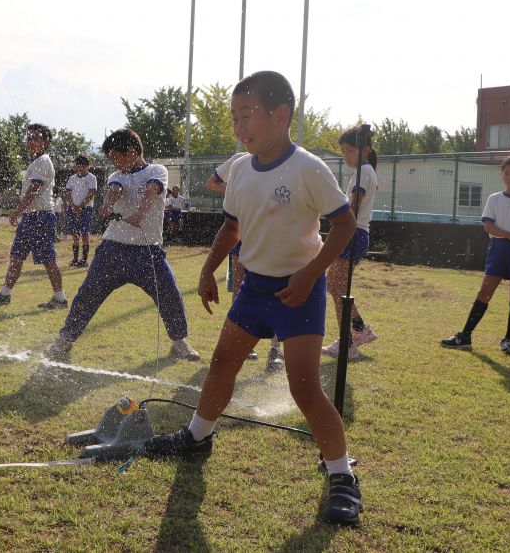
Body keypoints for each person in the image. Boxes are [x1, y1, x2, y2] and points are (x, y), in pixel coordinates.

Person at [144, 71, 363, 526]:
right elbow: (231, 228)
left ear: (280, 116)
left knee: (305, 389)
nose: (239, 126)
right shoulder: (239, 169)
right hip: (254, 290)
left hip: (298, 293)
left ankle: (341, 475)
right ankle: (198, 437)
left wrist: (308, 276)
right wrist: (206, 269)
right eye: (233, 117)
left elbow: (343, 225)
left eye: (247, 115)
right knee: (223, 364)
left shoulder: (307, 168)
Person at [43, 128, 201, 362]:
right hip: (113, 249)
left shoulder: (157, 170)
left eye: (115, 157)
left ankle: (179, 342)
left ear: (130, 152)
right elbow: (114, 191)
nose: (114, 163)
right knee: (88, 294)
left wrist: (140, 213)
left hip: (149, 253)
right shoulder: (117, 175)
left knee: (169, 295)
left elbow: (152, 190)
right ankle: (65, 339)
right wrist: (106, 206)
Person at [441, 155, 510, 355]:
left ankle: (508, 340)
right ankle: (465, 336)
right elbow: (488, 226)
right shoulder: (494, 198)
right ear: (501, 174)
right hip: (498, 250)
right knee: (484, 293)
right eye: (507, 173)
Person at [207, 152, 284, 371]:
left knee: (277, 291)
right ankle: (241, 344)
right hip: (242, 231)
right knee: (240, 288)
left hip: (273, 234)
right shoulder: (239, 160)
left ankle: (276, 350)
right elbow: (212, 182)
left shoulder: (284, 158)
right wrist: (237, 194)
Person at [0, 123, 67, 309]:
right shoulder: (36, 161)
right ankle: (4, 294)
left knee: (48, 259)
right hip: (31, 217)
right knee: (17, 256)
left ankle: (60, 298)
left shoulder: (43, 161)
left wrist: (16, 211)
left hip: (41, 217)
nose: (30, 142)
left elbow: (33, 190)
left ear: (46, 142)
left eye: (35, 138)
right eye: (28, 138)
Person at [322, 126, 380, 361]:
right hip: (354, 232)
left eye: (350, 150)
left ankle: (352, 338)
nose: (346, 155)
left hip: (353, 233)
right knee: (336, 286)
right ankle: (355, 333)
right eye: (343, 151)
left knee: (336, 286)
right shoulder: (364, 170)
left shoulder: (363, 172)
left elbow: (354, 204)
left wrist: (340, 220)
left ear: (365, 150)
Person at [64, 154, 98, 267]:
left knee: (84, 233)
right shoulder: (72, 178)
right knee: (75, 234)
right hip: (73, 208)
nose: (80, 168)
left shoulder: (91, 178)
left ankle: (84, 259)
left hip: (86, 209)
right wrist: (73, 206)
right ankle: (75, 259)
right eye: (78, 165)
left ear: (87, 166)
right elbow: (68, 192)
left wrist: (81, 206)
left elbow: (91, 193)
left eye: (83, 165)